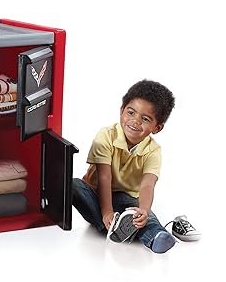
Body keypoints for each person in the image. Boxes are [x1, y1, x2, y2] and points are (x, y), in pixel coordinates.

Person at [73, 79, 178, 253]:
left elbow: (148, 184)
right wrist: (107, 212)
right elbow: (104, 176)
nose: (135, 121)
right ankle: (112, 226)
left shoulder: (153, 151)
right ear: (121, 110)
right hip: (95, 192)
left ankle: (156, 235)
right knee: (73, 185)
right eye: (131, 113)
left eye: (145, 119)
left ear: (157, 128)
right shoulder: (106, 136)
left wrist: (144, 210)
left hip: (126, 197)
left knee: (140, 214)